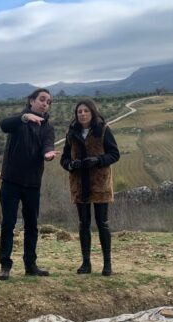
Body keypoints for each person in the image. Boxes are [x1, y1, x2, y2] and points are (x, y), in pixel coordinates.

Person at [0, 88, 58, 281]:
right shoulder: (19, 121)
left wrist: (48, 154)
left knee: (32, 225)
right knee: (8, 223)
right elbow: (3, 125)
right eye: (41, 99)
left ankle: (30, 265)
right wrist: (24, 118)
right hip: (11, 181)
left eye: (48, 102)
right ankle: (5, 265)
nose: (45, 103)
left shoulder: (48, 127)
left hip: (32, 183)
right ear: (31, 101)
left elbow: (48, 145)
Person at [60, 98, 120, 276]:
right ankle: (86, 263)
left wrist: (98, 160)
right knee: (83, 224)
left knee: (103, 223)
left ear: (92, 112)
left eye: (86, 111)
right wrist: (70, 165)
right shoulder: (71, 134)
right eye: (79, 111)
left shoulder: (103, 130)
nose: (83, 114)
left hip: (99, 183)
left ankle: (107, 264)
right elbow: (64, 158)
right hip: (80, 185)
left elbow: (115, 154)